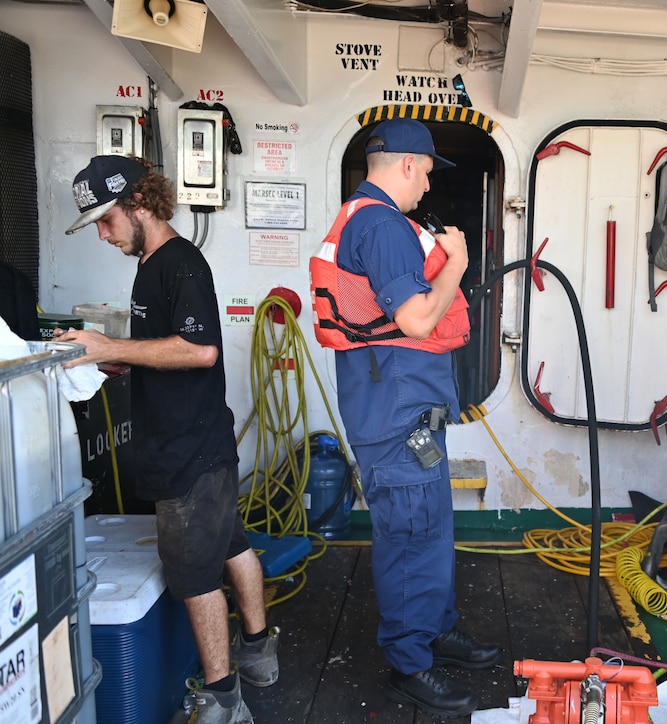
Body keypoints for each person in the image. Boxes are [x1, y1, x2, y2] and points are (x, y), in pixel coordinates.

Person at [58, 156, 278, 724]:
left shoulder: (180, 263)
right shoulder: (153, 263)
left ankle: (224, 697)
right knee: (231, 544)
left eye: (106, 221)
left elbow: (201, 350)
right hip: (202, 444)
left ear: (138, 204)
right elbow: (169, 349)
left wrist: (107, 347)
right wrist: (124, 364)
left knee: (193, 576)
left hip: (188, 453)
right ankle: (258, 652)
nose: (104, 235)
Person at [313, 118, 500, 718]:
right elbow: (418, 319)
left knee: (430, 523)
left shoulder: (365, 219)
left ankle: (434, 628)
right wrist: (458, 261)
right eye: (426, 175)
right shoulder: (383, 226)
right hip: (395, 412)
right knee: (409, 530)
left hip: (407, 406)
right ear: (409, 165)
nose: (426, 190)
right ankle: (409, 663)